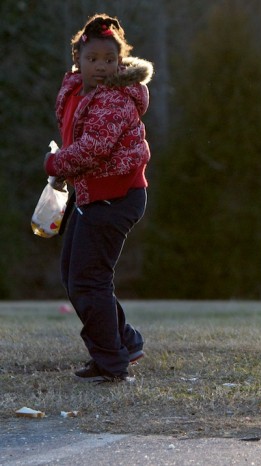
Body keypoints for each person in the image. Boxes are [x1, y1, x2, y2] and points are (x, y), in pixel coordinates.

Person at [43, 13, 154, 383]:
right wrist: (64, 169)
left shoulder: (116, 97)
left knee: (88, 280)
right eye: (93, 59)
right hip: (92, 194)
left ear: (120, 61)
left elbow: (94, 147)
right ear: (78, 59)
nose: (102, 67)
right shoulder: (76, 89)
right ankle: (123, 341)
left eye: (110, 59)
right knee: (75, 276)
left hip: (116, 196)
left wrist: (55, 162)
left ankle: (112, 363)